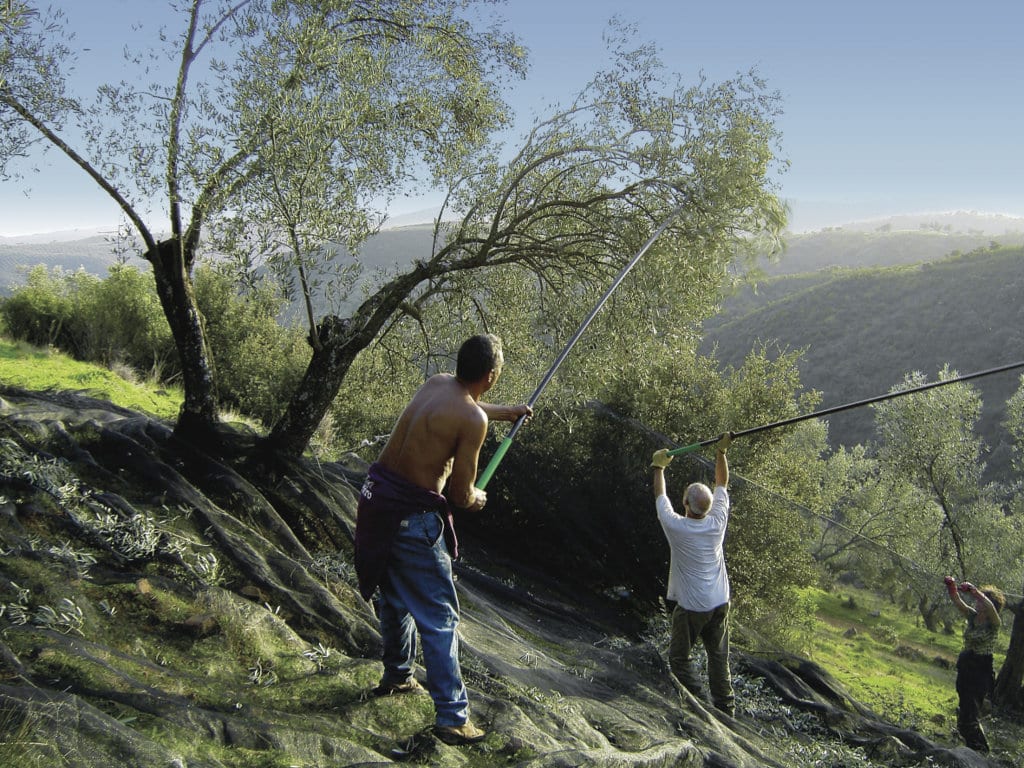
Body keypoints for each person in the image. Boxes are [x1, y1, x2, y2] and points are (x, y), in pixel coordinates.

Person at [354, 333, 532, 746]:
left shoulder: (437, 382)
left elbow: (462, 408)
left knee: (395, 596)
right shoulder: (472, 420)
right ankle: (452, 717)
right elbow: (460, 495)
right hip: (412, 520)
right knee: (440, 618)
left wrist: (506, 413)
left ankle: (398, 675)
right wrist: (477, 498)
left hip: (377, 503)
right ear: (490, 376)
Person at [650, 432, 735, 717]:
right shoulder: (717, 521)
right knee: (719, 659)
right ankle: (726, 710)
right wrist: (721, 453)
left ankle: (702, 707)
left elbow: (660, 497)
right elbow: (722, 482)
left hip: (693, 607)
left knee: (679, 659)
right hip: (720, 602)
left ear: (685, 504)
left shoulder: (677, 528)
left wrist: (658, 468)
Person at [943, 576, 1005, 753]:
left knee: (971, 712)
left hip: (981, 670)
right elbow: (957, 602)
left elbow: (991, 608)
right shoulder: (972, 616)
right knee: (964, 707)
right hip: (966, 665)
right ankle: (969, 747)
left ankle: (981, 751)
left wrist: (976, 592)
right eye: (977, 601)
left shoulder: (994, 623)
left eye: (980, 602)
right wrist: (952, 587)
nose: (977, 604)